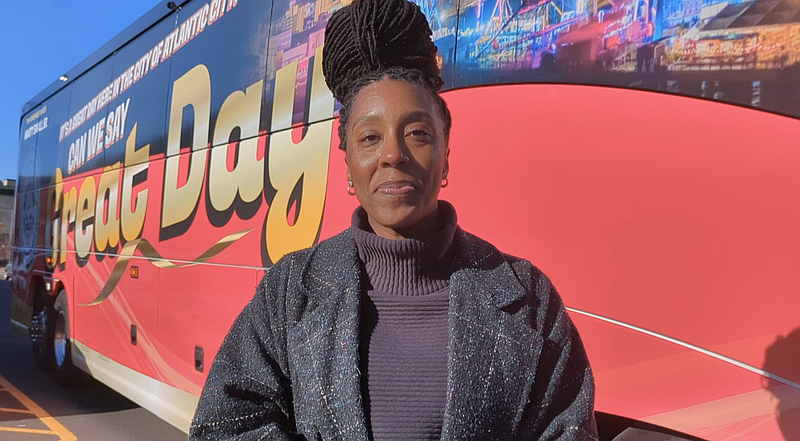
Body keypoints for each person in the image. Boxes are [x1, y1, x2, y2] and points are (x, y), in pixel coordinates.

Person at [189, 0, 598, 439]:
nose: (392, 155)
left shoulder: (530, 300)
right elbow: (226, 426)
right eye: (369, 137)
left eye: (418, 133)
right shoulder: (288, 294)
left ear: (445, 155)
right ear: (347, 165)